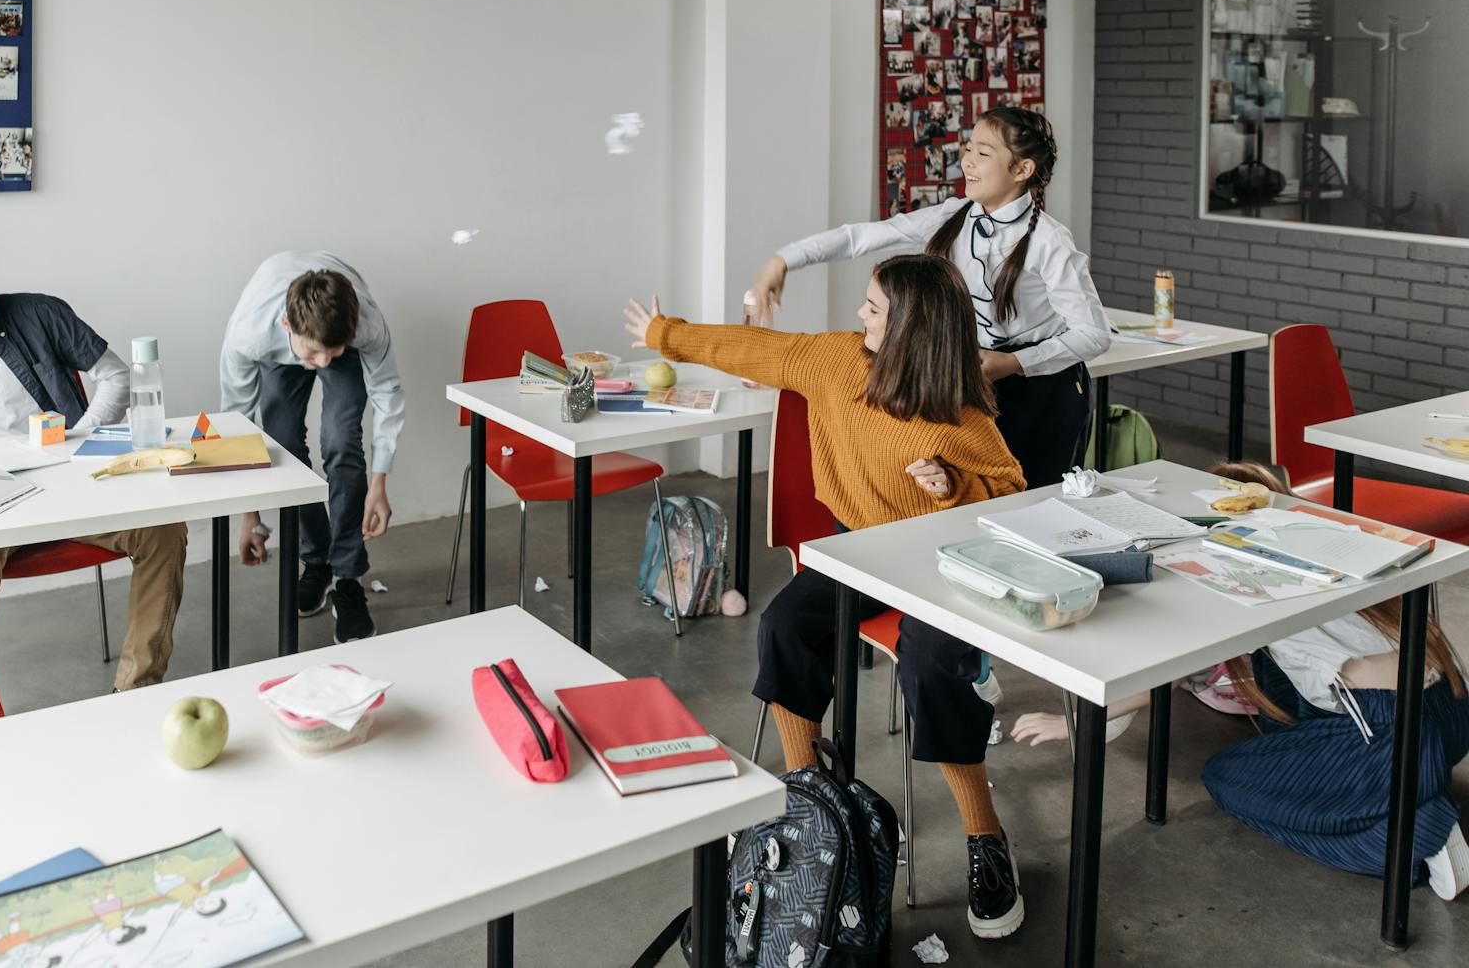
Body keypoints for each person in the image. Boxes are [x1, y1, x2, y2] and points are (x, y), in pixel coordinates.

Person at [624, 254, 1030, 940]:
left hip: (940, 564)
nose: (859, 314)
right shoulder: (836, 361)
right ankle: (810, 799)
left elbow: (1011, 495)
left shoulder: (959, 414)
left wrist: (955, 488)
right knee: (784, 624)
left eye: (874, 308)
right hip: (859, 551)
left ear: (914, 327)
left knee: (931, 663)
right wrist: (665, 334)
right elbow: (753, 349)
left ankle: (984, 835)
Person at [1012, 462, 1469, 900]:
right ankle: (1407, 789)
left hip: (1391, 734)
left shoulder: (1243, 578)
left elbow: (1164, 680)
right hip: (1452, 711)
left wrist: (1071, 722)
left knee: (1228, 779)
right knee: (1275, 699)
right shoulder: (1330, 550)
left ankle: (1418, 828)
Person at [0, 215, 187, 690]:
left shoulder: (39, 313)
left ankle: (135, 689)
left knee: (163, 529)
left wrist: (78, 439)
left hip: (74, 486)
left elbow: (117, 377)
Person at [750, 106, 1107, 493]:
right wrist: (784, 260)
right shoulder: (954, 215)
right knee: (965, 498)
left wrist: (1014, 363)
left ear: (1022, 169)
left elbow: (1094, 334)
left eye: (983, 153)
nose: (967, 161)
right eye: (968, 148)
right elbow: (862, 237)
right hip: (971, 378)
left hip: (1042, 390)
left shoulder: (1050, 241)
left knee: (1031, 501)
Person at [220, 253, 403, 644]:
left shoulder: (365, 325)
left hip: (328, 335)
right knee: (282, 445)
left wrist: (379, 483)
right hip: (277, 349)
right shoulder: (249, 334)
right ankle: (316, 561)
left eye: (330, 353)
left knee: (341, 441)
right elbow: (236, 425)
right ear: (287, 325)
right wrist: (249, 515)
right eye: (312, 353)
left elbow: (387, 393)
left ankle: (348, 578)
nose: (321, 363)